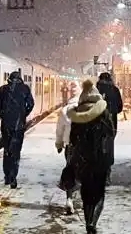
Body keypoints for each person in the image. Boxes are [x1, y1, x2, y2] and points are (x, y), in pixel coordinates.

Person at [67, 80, 115, 234]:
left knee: (86, 193)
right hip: (100, 159)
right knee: (99, 192)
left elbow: (73, 139)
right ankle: (93, 222)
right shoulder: (104, 112)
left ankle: (88, 222)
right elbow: (111, 134)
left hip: (83, 160)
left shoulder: (78, 113)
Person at [0, 71, 35, 189]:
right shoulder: (25, 89)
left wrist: (3, 115)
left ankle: (7, 176)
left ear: (9, 79)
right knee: (16, 152)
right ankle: (13, 177)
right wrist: (23, 115)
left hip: (6, 125)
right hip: (19, 126)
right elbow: (31, 104)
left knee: (7, 150)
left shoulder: (2, 90)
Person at [55, 83, 82, 215]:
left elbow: (59, 130)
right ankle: (85, 199)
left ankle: (69, 199)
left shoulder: (65, 110)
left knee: (70, 171)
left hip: (70, 145)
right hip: (84, 146)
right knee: (85, 172)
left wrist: (59, 144)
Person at [96, 72, 122, 183]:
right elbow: (120, 107)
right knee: (108, 147)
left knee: (97, 147)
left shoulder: (94, 90)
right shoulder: (114, 90)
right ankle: (107, 173)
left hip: (96, 124)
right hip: (111, 124)